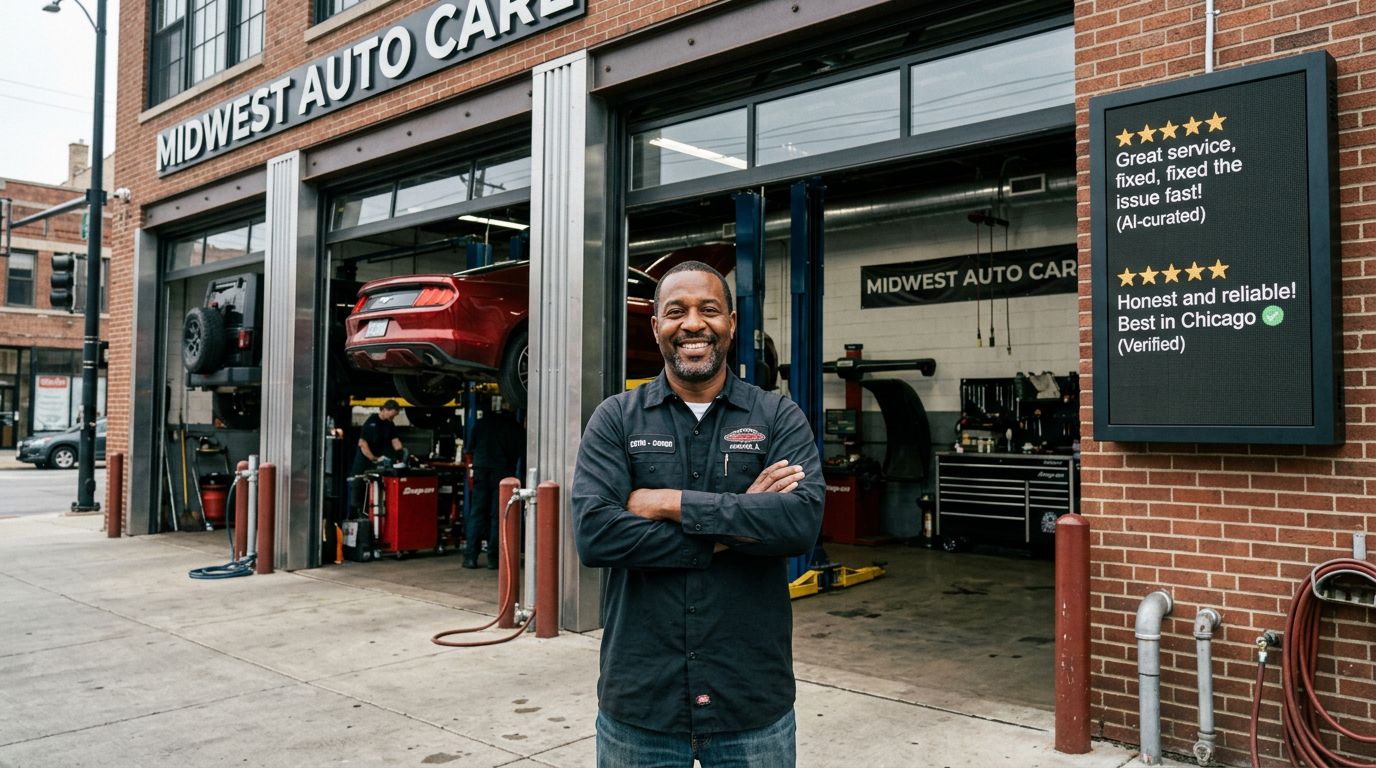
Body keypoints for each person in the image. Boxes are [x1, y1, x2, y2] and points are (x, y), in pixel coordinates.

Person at [571, 261, 824, 768]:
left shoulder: (777, 417)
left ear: (730, 321)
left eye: (708, 310)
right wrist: (741, 520)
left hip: (750, 702)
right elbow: (596, 535)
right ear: (656, 326)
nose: (692, 324)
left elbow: (799, 524)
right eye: (675, 311)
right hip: (642, 704)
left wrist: (667, 503)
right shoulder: (616, 418)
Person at [464, 398, 526, 569]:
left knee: (477, 514)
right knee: (499, 516)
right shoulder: (515, 427)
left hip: (481, 472)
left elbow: (470, 448)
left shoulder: (482, 423)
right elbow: (525, 454)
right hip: (503, 475)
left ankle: (470, 557)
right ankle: (494, 559)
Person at [350, 400, 405, 513]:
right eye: (392, 414)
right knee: (360, 499)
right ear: (385, 410)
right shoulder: (371, 422)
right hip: (363, 467)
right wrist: (374, 459)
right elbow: (362, 444)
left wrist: (402, 453)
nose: (393, 417)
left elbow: (396, 441)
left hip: (378, 467)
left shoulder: (390, 424)